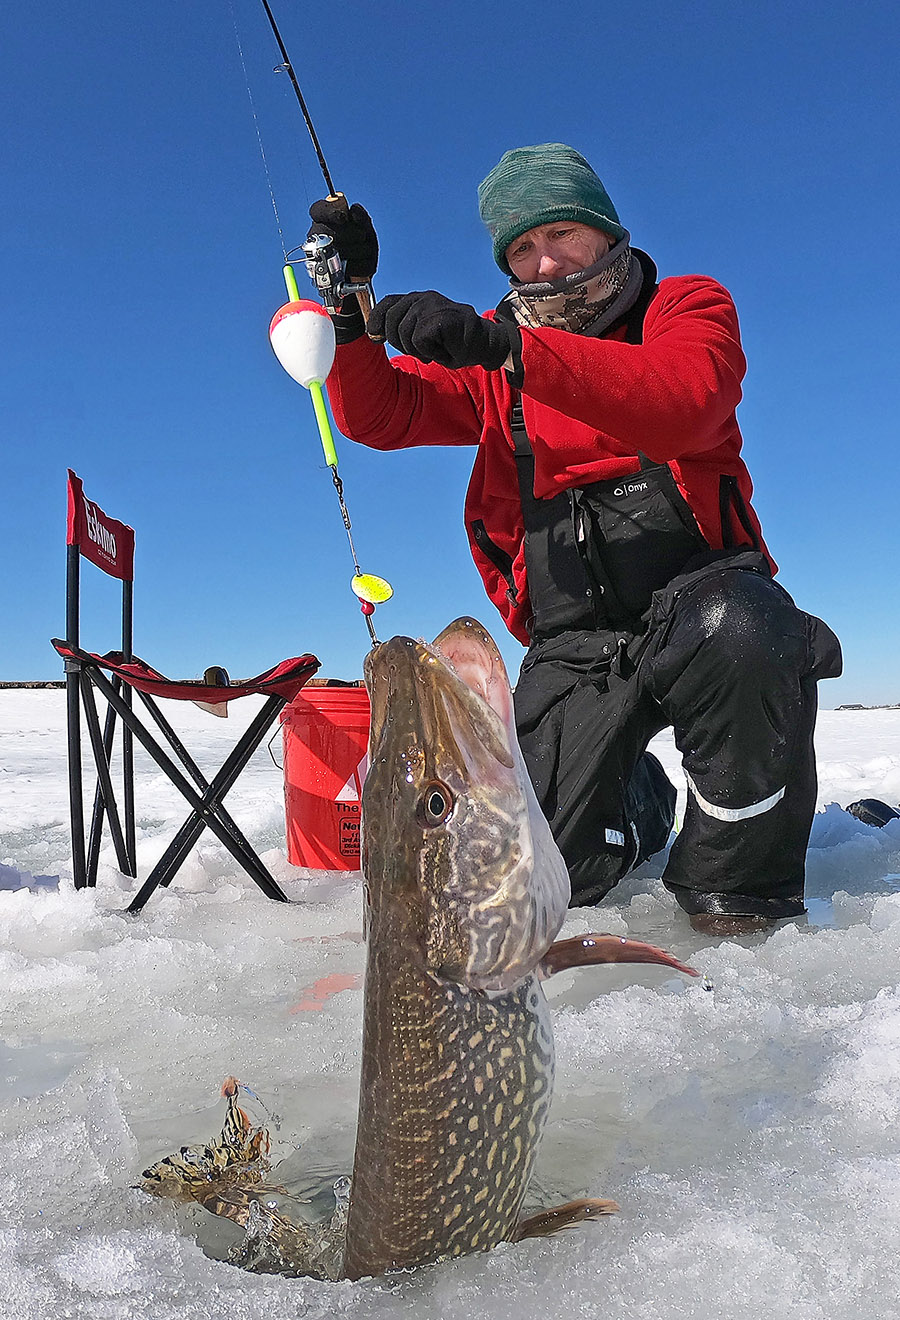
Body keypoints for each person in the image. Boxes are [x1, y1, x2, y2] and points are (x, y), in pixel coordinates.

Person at [310, 142, 842, 934]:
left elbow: (683, 402)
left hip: (702, 598)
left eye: (560, 232)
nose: (546, 260)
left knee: (744, 631)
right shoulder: (495, 354)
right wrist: (353, 313)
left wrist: (510, 349)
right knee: (533, 883)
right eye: (522, 248)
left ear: (603, 230)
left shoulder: (683, 304)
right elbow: (381, 415)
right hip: (575, 638)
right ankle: (640, 804)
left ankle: (739, 896)